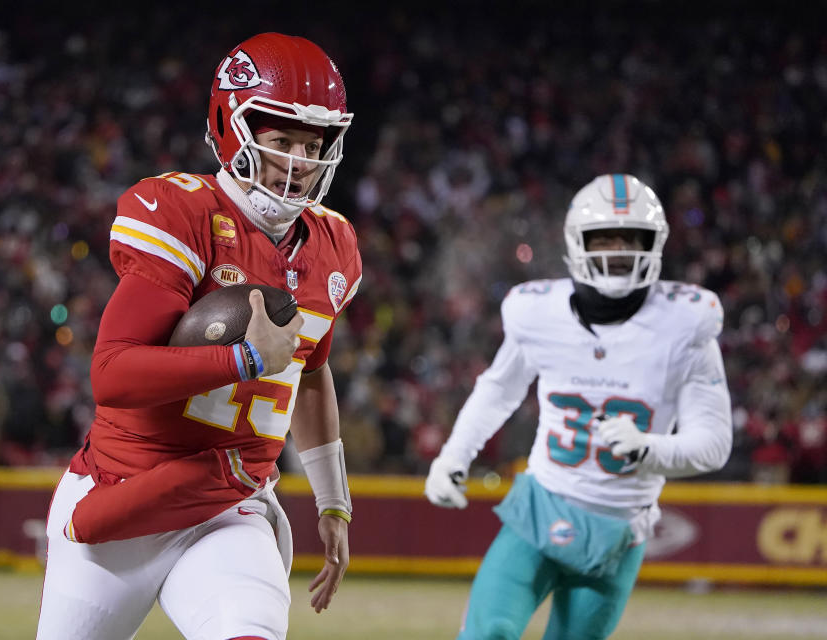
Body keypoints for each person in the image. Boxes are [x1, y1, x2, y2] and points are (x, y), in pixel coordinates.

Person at [37, 33, 360, 640]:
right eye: (281, 140)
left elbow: (310, 374)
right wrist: (241, 358)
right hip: (127, 491)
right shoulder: (185, 213)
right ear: (235, 132)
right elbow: (111, 373)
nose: (299, 162)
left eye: (312, 145)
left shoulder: (334, 246)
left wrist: (333, 502)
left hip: (228, 503)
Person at [425, 174, 733, 640]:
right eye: (603, 237)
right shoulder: (537, 312)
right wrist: (454, 455)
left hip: (618, 529)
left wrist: (649, 449)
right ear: (577, 243)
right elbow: (498, 390)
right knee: (488, 634)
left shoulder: (685, 324)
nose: (616, 250)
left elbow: (714, 444)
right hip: (540, 509)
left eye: (631, 238)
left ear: (655, 244)